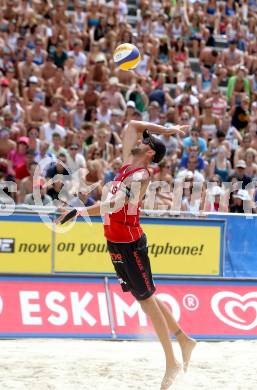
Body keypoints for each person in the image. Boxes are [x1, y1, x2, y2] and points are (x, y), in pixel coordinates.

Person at [56, 120, 196, 389]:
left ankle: (172, 363)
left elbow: (113, 205)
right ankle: (184, 339)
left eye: (146, 141)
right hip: (115, 241)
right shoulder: (126, 166)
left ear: (150, 153)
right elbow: (132, 124)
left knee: (146, 300)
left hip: (131, 243)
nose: (141, 140)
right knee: (147, 296)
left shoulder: (141, 175)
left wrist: (79, 211)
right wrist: (165, 130)